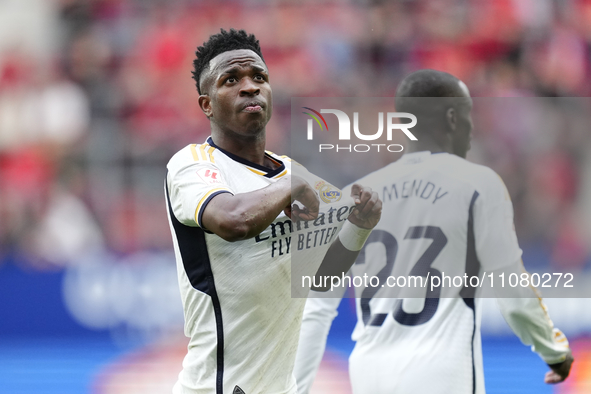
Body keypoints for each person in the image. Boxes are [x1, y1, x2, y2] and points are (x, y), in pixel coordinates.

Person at [294, 69, 573, 393]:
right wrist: (554, 352)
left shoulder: (355, 193)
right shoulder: (478, 185)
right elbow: (512, 293)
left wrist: (296, 388)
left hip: (369, 375)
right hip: (442, 374)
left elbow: (317, 307)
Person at [164, 29, 382, 394]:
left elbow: (322, 279)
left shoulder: (293, 172)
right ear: (207, 104)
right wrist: (289, 187)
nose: (249, 86)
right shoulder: (191, 165)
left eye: (258, 77)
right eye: (231, 80)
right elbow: (233, 220)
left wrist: (359, 226)